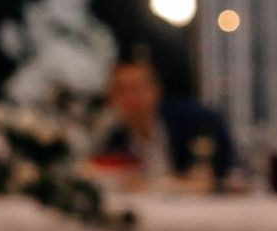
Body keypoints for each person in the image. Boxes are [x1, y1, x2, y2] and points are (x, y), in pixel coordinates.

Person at [89, 51, 236, 185]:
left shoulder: (196, 122)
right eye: (120, 90)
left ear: (156, 90)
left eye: (136, 89)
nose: (130, 98)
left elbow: (216, 176)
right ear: (111, 98)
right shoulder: (115, 139)